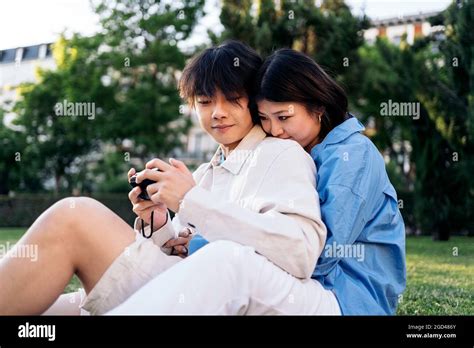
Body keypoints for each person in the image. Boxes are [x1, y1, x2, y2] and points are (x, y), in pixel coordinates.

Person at [0, 41, 337, 315]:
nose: (217, 112)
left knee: (73, 217)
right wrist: (158, 221)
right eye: (205, 102)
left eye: (233, 100)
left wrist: (190, 200)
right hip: (185, 284)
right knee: (50, 311)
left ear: (255, 101)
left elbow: (299, 251)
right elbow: (186, 247)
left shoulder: (280, 153)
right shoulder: (208, 171)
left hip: (225, 294)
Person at [114, 48, 406, 315]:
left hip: (351, 297)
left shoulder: (351, 156)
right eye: (265, 118)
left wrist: (200, 244)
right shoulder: (291, 151)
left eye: (283, 117)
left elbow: (320, 254)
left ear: (318, 107)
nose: (275, 130)